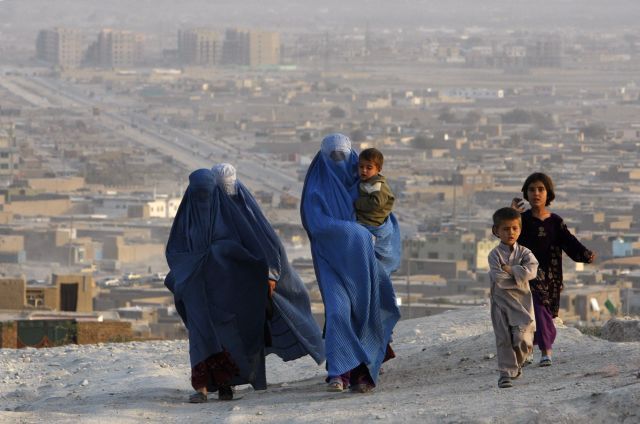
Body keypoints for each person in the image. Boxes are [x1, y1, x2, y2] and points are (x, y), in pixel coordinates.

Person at [165, 166, 324, 403]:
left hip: (224, 288)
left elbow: (248, 246)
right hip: (195, 287)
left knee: (224, 336)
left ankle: (225, 385)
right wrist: (188, 268)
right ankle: (201, 387)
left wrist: (222, 253)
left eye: (207, 193)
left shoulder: (226, 217)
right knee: (200, 336)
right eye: (198, 194)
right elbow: (175, 251)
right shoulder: (185, 218)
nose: (202, 199)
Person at [301, 133, 401, 393]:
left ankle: (363, 372)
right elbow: (317, 224)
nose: (338, 162)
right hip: (332, 260)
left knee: (364, 313)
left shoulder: (366, 182)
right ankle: (338, 372)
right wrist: (355, 232)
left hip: (364, 262)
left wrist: (375, 235)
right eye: (332, 157)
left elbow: (384, 221)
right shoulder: (316, 188)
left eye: (343, 156)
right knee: (337, 312)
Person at [511, 172, 596, 367]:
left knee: (544, 313)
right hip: (527, 274)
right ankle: (545, 351)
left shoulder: (555, 222)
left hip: (552, 276)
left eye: (541, 189)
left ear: (548, 193)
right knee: (534, 310)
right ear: (526, 192)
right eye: (532, 189)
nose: (536, 193)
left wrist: (586, 255)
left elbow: (570, 243)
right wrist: (511, 214)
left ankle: (535, 348)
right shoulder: (521, 220)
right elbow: (504, 233)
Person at [488, 207, 539, 389]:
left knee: (523, 338)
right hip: (501, 302)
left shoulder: (525, 253)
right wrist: (519, 275)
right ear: (496, 231)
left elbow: (532, 271)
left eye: (514, 228)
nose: (510, 233)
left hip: (522, 302)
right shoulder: (494, 255)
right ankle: (506, 374)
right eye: (505, 229)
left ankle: (517, 364)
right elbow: (499, 280)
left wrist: (511, 270)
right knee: (503, 338)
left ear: (520, 229)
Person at [354, 148, 397, 275]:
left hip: (373, 222)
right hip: (369, 219)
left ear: (378, 169)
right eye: (361, 167)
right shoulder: (367, 182)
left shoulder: (377, 185)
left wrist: (357, 203)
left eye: (369, 167)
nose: (364, 170)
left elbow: (376, 203)